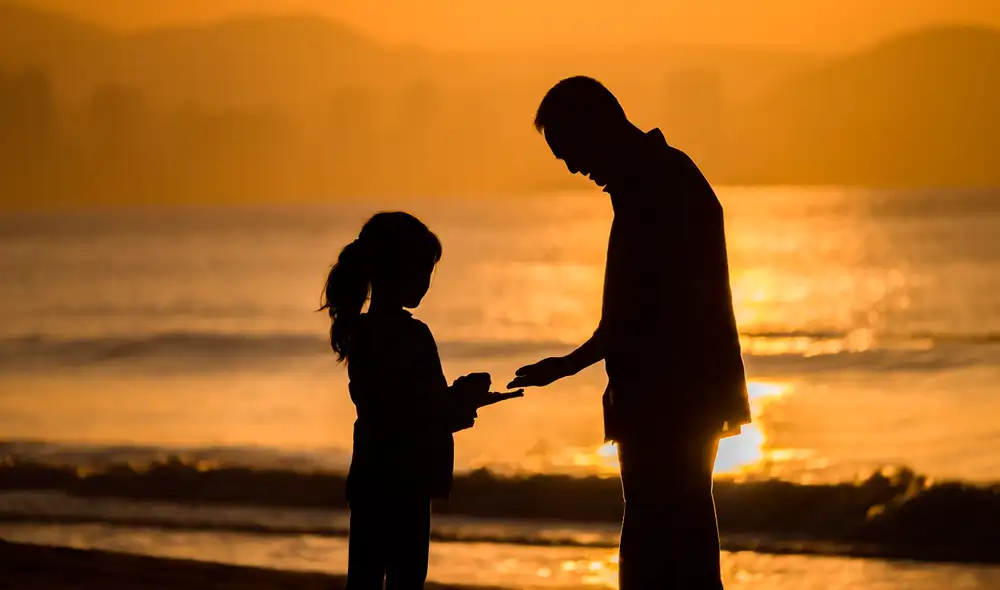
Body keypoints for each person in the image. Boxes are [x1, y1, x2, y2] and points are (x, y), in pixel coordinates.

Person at [508, 76, 751, 589]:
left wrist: (570, 364)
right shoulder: (659, 179)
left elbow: (645, 312)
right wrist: (571, 364)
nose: (575, 167)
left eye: (571, 150)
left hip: (670, 403)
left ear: (599, 127)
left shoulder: (658, 187)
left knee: (662, 538)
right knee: (673, 535)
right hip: (671, 400)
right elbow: (636, 311)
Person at [321, 211, 522, 590]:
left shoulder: (362, 332)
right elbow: (421, 415)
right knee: (406, 579)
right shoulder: (411, 335)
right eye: (424, 270)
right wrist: (464, 401)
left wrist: (458, 401)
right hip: (406, 481)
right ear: (399, 270)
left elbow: (396, 406)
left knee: (363, 578)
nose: (427, 282)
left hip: (371, 477)